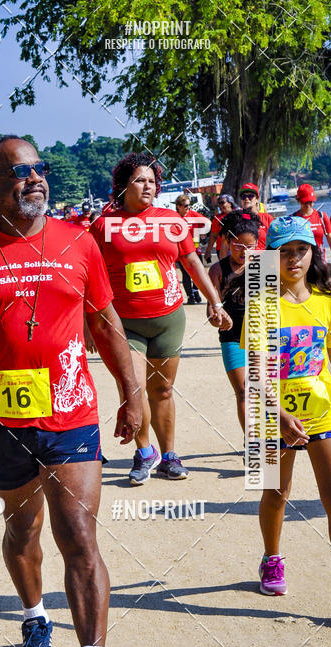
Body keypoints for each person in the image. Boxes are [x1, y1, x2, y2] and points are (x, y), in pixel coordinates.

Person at [0, 134, 141, 647]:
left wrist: (132, 392)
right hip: (1, 418)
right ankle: (33, 615)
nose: (35, 178)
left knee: (78, 533)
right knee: (22, 528)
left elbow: (105, 322)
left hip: (72, 411)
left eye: (40, 167)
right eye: (19, 171)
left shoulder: (78, 241)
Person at [90, 153, 232, 484]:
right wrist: (88, 320)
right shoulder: (103, 226)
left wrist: (215, 301)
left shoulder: (172, 221)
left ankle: (169, 455)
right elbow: (89, 274)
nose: (148, 186)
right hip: (124, 322)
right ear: (124, 185)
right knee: (134, 389)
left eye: (152, 181)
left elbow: (193, 263)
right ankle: (144, 452)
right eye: (140, 180)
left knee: (163, 391)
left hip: (169, 318)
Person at [241, 216, 331, 621]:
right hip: (272, 417)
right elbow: (255, 371)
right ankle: (272, 557)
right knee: (276, 493)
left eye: (300, 250)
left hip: (322, 414)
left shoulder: (327, 301)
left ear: (313, 253)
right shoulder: (260, 306)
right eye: (284, 252)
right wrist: (279, 413)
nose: (293, 259)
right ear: (270, 259)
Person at [207, 211, 260, 433]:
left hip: (261, 336)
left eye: (250, 246)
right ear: (228, 242)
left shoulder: (263, 266)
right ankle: (251, 443)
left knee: (266, 390)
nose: (244, 251)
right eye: (238, 246)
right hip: (231, 337)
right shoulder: (218, 270)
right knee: (244, 391)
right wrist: (218, 318)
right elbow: (211, 309)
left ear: (257, 244)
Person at [293, 183, 331, 272]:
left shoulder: (322, 216)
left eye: (310, 201)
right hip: (301, 262)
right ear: (298, 201)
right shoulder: (293, 219)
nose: (308, 205)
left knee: (321, 285)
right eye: (304, 202)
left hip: (320, 261)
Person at [174, 194, 207, 303]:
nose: (188, 208)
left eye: (189, 205)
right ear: (178, 206)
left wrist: (202, 233)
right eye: (185, 206)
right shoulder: (174, 217)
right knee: (186, 274)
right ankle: (190, 296)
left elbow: (206, 222)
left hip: (195, 249)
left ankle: (196, 290)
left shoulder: (193, 215)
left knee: (197, 273)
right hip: (182, 252)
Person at [204, 194, 237, 262]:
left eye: (222, 202)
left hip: (236, 248)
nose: (220, 205)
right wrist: (208, 251)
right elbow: (213, 236)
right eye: (218, 203)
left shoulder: (239, 214)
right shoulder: (217, 218)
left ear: (230, 203)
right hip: (221, 249)